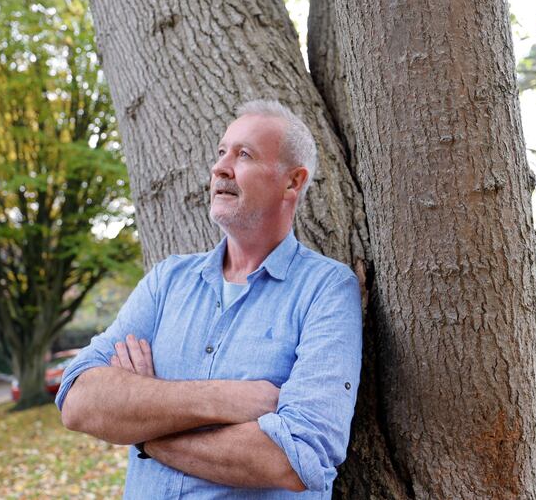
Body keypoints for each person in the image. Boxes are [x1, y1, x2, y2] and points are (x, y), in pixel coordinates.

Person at [56, 100, 363, 499]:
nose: (220, 167)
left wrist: (144, 430)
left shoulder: (326, 289)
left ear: (292, 182)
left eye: (244, 154)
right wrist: (224, 399)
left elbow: (296, 458)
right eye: (221, 152)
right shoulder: (167, 281)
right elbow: (78, 399)